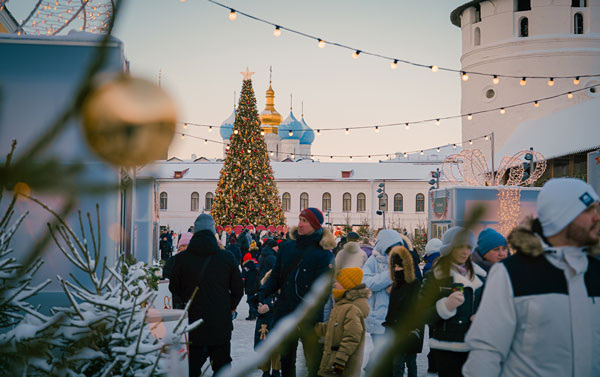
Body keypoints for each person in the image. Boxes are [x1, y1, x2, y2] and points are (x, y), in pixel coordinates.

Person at [463, 178, 600, 377]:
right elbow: (486, 352)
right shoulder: (513, 273)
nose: (596, 217)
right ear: (562, 216)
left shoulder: (595, 269)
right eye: (588, 210)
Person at [258, 207, 336, 377]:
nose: (299, 224)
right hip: (285, 312)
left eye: (305, 221)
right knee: (286, 361)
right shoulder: (287, 247)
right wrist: (262, 293)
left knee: (312, 362)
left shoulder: (323, 255)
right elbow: (276, 277)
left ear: (315, 225)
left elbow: (323, 291)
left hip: (308, 317)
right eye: (299, 220)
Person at [169, 214, 244, 377]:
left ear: (195, 232)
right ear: (213, 232)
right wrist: (230, 307)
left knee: (193, 367)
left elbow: (174, 287)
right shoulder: (226, 257)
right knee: (222, 366)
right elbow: (238, 289)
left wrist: (188, 300)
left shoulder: (181, 259)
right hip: (220, 322)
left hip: (192, 323)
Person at [421, 227, 486, 377]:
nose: (465, 252)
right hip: (447, 349)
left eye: (468, 247)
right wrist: (444, 306)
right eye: (460, 247)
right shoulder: (435, 277)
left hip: (474, 347)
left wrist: (482, 317)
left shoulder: (481, 277)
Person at [315, 267, 370, 377]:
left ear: (347, 285)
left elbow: (352, 337)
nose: (335, 284)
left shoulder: (351, 308)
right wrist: (316, 328)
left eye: (338, 282)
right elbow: (334, 327)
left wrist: (339, 362)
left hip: (341, 365)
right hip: (331, 360)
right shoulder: (341, 304)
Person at [363, 229, 402, 371]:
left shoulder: (402, 260)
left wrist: (397, 287)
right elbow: (366, 282)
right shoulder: (374, 260)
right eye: (391, 247)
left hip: (397, 317)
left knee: (394, 359)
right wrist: (389, 277)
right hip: (378, 317)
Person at [384, 244, 423, 377]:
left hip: (410, 330)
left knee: (410, 362)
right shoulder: (396, 285)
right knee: (397, 363)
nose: (396, 270)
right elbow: (393, 308)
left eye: (399, 266)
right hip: (396, 330)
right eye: (394, 267)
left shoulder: (414, 284)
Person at [254, 269, 282, 377]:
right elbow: (253, 303)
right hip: (264, 325)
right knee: (264, 348)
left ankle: (276, 371)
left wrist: (270, 306)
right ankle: (265, 371)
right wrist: (257, 308)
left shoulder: (282, 292)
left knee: (277, 348)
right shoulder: (263, 291)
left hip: (277, 324)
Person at [242, 252, 259, 320]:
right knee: (253, 300)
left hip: (249, 286)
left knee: (250, 300)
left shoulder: (245, 267)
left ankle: (253, 313)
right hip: (255, 286)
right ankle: (252, 314)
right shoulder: (255, 266)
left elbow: (243, 277)